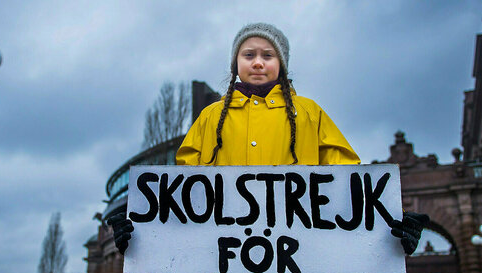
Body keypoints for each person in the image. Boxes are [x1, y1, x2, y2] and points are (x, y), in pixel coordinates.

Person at [108, 22, 427, 255]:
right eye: (249, 54)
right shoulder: (208, 118)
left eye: (268, 55)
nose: (258, 62)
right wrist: (144, 227)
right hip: (223, 256)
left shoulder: (310, 113)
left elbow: (348, 181)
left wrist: (388, 222)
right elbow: (182, 192)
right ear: (236, 63)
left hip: (300, 255)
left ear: (281, 64)